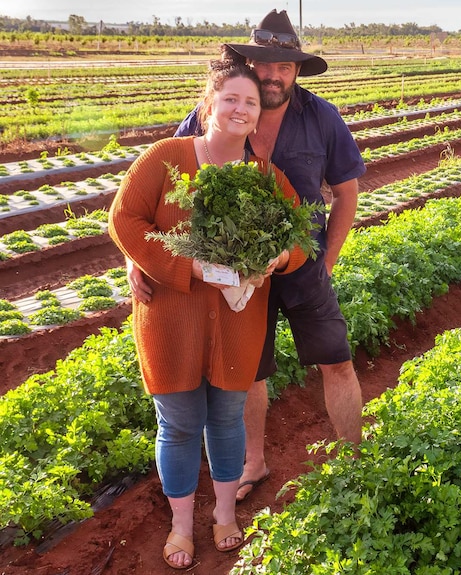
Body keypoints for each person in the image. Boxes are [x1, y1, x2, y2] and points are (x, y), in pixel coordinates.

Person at [128, 8, 367, 502]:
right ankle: (253, 465)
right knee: (249, 373)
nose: (274, 74)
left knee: (336, 362)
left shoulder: (321, 117)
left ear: (297, 71)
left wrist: (328, 258)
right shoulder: (214, 109)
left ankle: (355, 460)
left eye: (285, 66)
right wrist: (140, 257)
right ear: (246, 63)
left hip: (302, 266)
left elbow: (347, 191)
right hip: (232, 274)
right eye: (265, 63)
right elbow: (159, 186)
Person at [109, 59, 309, 569]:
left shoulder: (264, 178)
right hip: (170, 323)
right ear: (209, 104)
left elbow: (298, 240)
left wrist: (281, 256)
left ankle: (223, 514)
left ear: (259, 114)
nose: (241, 108)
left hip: (239, 325)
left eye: (250, 102)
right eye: (231, 99)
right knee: (177, 426)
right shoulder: (166, 158)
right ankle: (179, 525)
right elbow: (124, 221)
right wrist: (184, 265)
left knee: (225, 422)